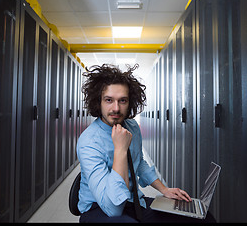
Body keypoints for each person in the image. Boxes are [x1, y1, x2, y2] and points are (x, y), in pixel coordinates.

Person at [76, 64, 215, 223]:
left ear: (130, 103)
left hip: (132, 201)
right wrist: (120, 150)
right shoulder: (89, 142)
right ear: (98, 102)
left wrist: (164, 190)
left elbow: (139, 162)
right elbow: (113, 209)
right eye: (109, 100)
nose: (116, 108)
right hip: (99, 208)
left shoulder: (132, 127)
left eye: (122, 101)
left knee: (202, 218)